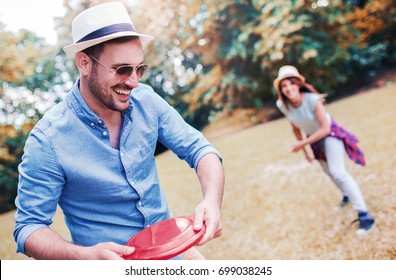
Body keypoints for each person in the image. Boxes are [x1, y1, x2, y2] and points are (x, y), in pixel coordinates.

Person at [14, 2, 224, 260]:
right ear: (84, 63)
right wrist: (86, 256)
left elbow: (200, 150)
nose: (134, 81)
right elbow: (29, 228)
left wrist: (211, 201)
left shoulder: (147, 100)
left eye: (140, 69)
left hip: (174, 252)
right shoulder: (47, 139)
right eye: (122, 69)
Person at [273, 65, 375, 235]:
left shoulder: (313, 99)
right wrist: (305, 150)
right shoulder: (283, 104)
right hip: (312, 138)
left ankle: (365, 216)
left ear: (298, 84)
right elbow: (294, 126)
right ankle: (346, 195)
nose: (288, 88)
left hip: (329, 134)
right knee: (329, 172)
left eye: (291, 83)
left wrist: (303, 144)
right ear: (281, 89)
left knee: (338, 172)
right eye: (284, 85)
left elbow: (325, 129)